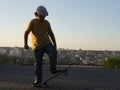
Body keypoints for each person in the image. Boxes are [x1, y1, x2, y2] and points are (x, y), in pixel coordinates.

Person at [24, 6, 61, 87]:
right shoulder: (32, 22)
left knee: (53, 52)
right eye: (41, 16)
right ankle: (37, 82)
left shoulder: (46, 23)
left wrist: (55, 45)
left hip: (47, 44)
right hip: (36, 47)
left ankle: (53, 69)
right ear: (36, 14)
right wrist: (25, 44)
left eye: (44, 16)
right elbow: (26, 33)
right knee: (38, 65)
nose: (43, 17)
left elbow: (51, 34)